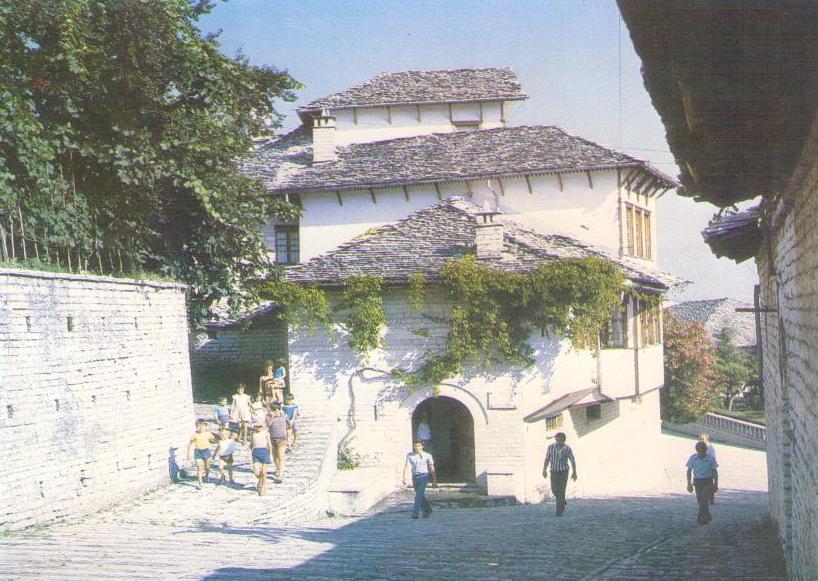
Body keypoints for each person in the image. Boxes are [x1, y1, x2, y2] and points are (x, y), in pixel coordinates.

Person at [542, 432, 577, 516]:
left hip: (564, 471)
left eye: (560, 440)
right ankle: (562, 500)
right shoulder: (551, 447)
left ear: (563, 441)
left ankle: (559, 512)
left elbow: (572, 460)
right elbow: (547, 459)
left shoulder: (567, 449)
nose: (558, 442)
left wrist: (574, 472)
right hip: (554, 471)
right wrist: (544, 470)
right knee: (554, 489)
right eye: (557, 440)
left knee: (561, 490)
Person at [403, 441, 437, 519]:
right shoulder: (410, 455)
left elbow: (432, 468)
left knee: (418, 495)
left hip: (424, 476)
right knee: (420, 495)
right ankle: (428, 509)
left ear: (422, 446)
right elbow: (406, 466)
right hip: (415, 477)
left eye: (418, 446)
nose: (417, 447)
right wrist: (404, 476)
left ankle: (415, 513)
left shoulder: (427, 455)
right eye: (415, 446)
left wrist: (434, 481)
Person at [687, 441, 719, 525]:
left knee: (704, 500)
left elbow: (715, 472)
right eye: (699, 451)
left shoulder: (710, 459)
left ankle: (701, 518)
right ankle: (707, 516)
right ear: (697, 451)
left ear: (705, 451)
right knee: (700, 501)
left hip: (708, 481)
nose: (701, 453)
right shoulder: (693, 458)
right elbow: (689, 471)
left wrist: (716, 484)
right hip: (697, 481)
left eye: (702, 451)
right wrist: (689, 484)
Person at [187, 419, 216, 490]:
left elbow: (214, 440)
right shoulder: (194, 435)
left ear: (205, 426)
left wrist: (217, 440)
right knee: (199, 467)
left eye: (202, 426)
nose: (200, 427)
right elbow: (190, 444)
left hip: (206, 451)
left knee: (207, 467)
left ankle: (207, 476)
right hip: (198, 452)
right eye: (198, 426)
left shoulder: (208, 434)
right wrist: (188, 454)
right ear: (196, 427)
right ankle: (200, 483)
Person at [266, 403, 289, 482]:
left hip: (282, 439)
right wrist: (272, 417)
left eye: (271, 410)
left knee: (281, 456)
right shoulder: (268, 416)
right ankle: (278, 468)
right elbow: (268, 425)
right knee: (275, 457)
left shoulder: (284, 416)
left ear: (276, 410)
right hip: (272, 439)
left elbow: (289, 424)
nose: (269, 411)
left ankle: (280, 475)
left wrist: (287, 434)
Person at [250, 424, 273, 496]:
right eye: (256, 426)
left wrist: (270, 454)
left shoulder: (265, 433)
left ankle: (264, 486)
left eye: (260, 426)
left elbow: (269, 444)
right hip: (256, 452)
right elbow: (251, 444)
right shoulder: (253, 433)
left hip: (264, 451)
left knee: (263, 472)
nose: (258, 427)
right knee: (256, 472)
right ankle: (260, 480)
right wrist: (252, 451)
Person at [698, 432, 717, 504]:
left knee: (709, 484)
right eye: (700, 439)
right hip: (701, 467)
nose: (701, 440)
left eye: (702, 439)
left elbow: (712, 457)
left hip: (709, 467)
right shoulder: (700, 445)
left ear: (707, 438)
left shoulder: (709, 446)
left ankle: (711, 500)